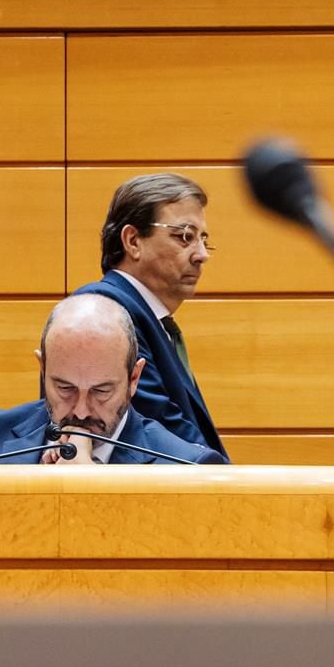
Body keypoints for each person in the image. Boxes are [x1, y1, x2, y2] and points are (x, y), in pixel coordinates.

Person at [0, 294, 225, 466]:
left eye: (101, 391)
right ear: (42, 370)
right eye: (64, 388)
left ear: (134, 378)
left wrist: (93, 493)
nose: (81, 411)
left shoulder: (186, 467)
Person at [74, 173, 226, 458]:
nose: (202, 254)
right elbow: (156, 429)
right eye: (185, 237)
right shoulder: (104, 313)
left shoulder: (146, 317)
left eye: (203, 239)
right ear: (133, 241)